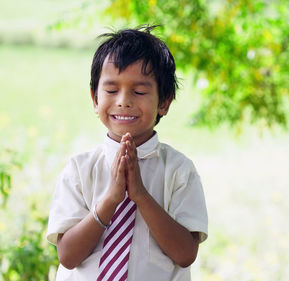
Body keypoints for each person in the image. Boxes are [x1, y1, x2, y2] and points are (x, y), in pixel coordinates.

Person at [46, 25, 208, 281]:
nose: (123, 100)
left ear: (164, 102)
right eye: (111, 90)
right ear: (95, 99)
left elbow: (185, 254)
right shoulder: (79, 170)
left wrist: (141, 195)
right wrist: (111, 199)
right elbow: (67, 256)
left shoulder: (179, 171)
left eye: (140, 91)